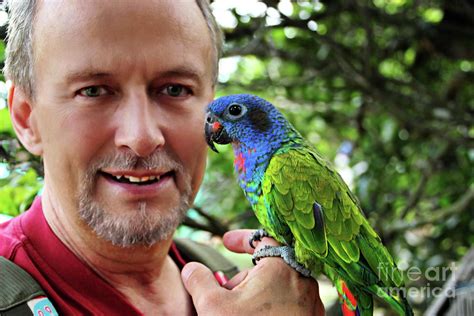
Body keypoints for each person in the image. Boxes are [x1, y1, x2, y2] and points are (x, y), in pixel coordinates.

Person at [0, 0, 325, 314]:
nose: (142, 138)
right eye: (93, 91)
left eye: (175, 90)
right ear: (27, 118)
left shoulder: (238, 282)